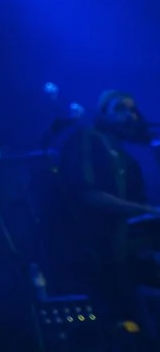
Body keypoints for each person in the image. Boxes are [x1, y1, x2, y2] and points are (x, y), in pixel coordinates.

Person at [52, 89, 160, 323]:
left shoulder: (130, 150)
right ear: (101, 112)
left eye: (133, 110)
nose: (130, 115)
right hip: (103, 247)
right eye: (120, 108)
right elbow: (88, 194)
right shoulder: (87, 139)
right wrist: (149, 211)